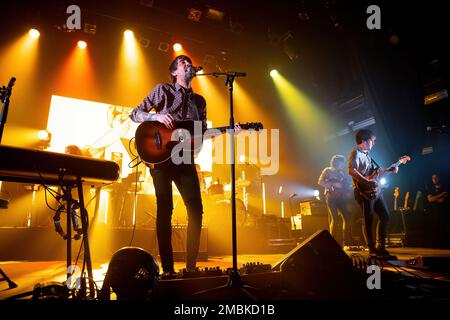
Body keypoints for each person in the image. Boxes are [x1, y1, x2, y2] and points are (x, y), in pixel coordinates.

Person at [129, 55, 240, 276]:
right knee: (165, 209)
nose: (188, 64)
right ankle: (168, 269)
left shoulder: (200, 102)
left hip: (184, 158)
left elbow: (201, 135)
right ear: (174, 72)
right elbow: (135, 114)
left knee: (196, 210)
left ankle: (191, 266)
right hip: (160, 159)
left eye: (189, 62)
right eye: (182, 62)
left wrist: (228, 130)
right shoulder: (163, 90)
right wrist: (158, 116)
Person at [348, 129, 399, 258]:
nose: (374, 143)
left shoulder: (367, 155)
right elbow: (351, 170)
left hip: (375, 192)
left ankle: (380, 246)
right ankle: (372, 250)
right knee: (368, 221)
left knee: (385, 216)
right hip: (363, 192)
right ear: (364, 141)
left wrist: (389, 169)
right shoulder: (356, 153)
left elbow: (374, 173)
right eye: (373, 140)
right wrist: (365, 180)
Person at [318, 155, 352, 247]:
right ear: (336, 162)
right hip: (331, 197)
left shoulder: (342, 173)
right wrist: (333, 184)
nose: (344, 164)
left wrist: (350, 187)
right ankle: (332, 243)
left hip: (341, 197)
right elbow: (320, 181)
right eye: (342, 162)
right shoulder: (327, 170)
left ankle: (346, 243)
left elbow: (346, 185)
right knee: (335, 219)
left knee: (347, 218)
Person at [426, 174, 449, 247]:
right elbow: (430, 199)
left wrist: (436, 197)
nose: (434, 179)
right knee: (436, 229)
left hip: (445, 213)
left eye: (436, 177)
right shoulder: (430, 188)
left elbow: (442, 200)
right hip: (434, 213)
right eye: (433, 178)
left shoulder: (445, 186)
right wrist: (441, 194)